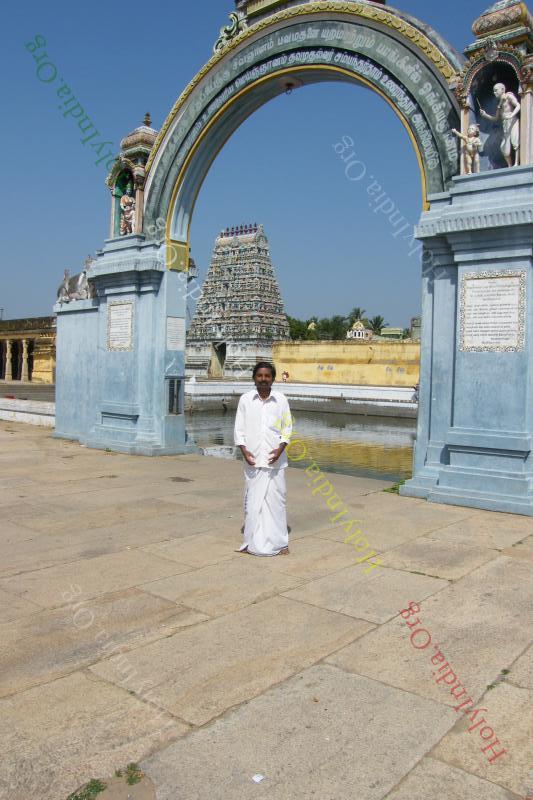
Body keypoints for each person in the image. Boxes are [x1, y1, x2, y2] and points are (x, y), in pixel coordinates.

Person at [234, 362, 292, 556]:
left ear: (273, 378)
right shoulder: (246, 400)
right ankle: (251, 540)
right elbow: (239, 429)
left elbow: (287, 428)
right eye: (260, 376)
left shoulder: (281, 400)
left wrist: (280, 449)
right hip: (253, 460)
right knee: (252, 502)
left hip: (276, 461)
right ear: (254, 378)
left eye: (267, 376)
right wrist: (244, 451)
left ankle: (281, 542)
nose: (264, 379)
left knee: (277, 502)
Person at [479, 83, 520, 167]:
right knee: (503, 147)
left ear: (502, 89)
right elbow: (495, 118)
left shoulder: (508, 96)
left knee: (515, 142)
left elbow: (518, 105)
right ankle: (509, 165)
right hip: (505, 125)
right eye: (494, 91)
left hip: (513, 122)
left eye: (496, 90)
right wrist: (485, 115)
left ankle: (516, 163)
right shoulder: (499, 105)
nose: (494, 93)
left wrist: (512, 115)